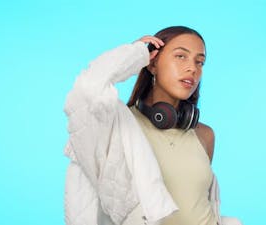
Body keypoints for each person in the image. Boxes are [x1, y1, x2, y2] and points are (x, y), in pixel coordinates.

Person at [63, 26, 242, 225]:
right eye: (181, 56)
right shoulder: (117, 127)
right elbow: (86, 91)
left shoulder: (205, 135)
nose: (192, 68)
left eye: (199, 62)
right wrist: (133, 54)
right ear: (152, 63)